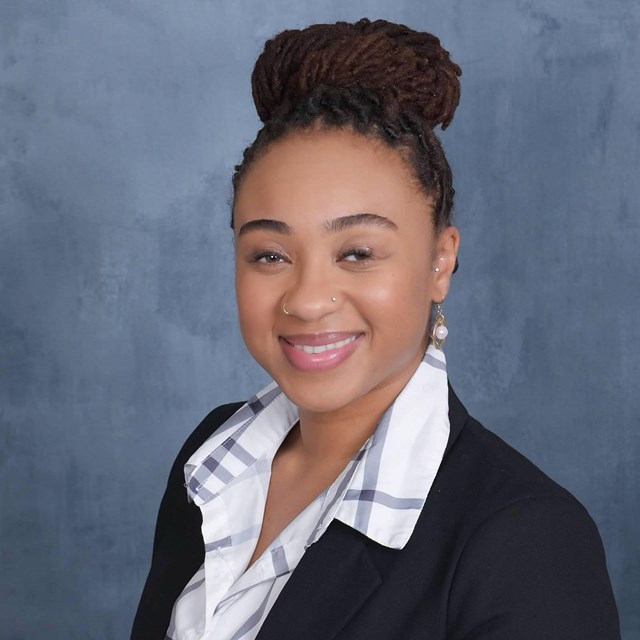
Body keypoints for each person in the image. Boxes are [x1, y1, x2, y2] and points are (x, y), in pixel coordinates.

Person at [131, 18, 620, 640]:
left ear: (441, 260)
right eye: (270, 255)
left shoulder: (528, 541)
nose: (307, 301)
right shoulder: (211, 459)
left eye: (357, 253)